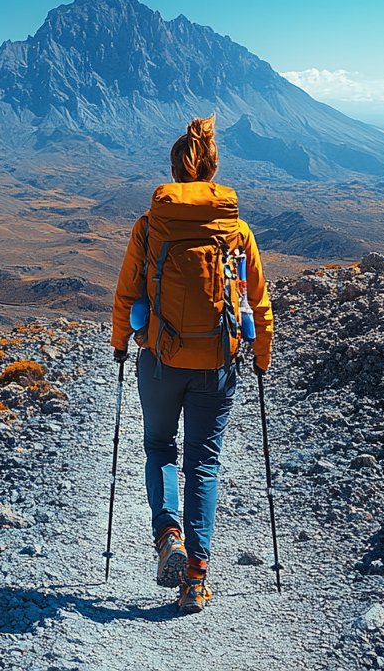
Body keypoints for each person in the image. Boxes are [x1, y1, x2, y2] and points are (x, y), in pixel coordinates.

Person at [110, 116, 274, 614]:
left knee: (160, 446)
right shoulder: (237, 230)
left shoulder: (150, 226)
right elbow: (259, 304)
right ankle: (197, 579)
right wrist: (261, 356)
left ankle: (169, 535)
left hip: (159, 358)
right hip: (217, 363)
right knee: (204, 461)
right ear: (213, 168)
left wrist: (122, 345)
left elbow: (127, 295)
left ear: (175, 171)